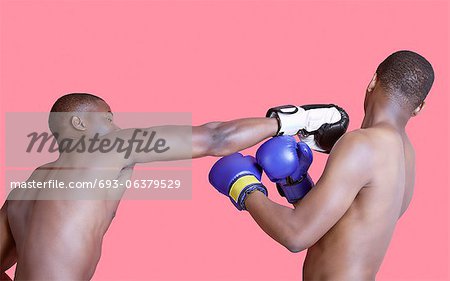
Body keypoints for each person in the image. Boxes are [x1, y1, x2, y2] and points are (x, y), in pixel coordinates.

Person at [0, 93, 348, 280]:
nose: (117, 126)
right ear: (77, 122)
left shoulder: (23, 190)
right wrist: (297, 120)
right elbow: (216, 137)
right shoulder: (106, 147)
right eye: (108, 119)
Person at [209, 50, 434, 280]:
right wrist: (295, 182)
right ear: (419, 107)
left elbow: (296, 235)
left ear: (373, 81)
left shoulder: (362, 144)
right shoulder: (406, 156)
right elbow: (342, 227)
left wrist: (243, 186)